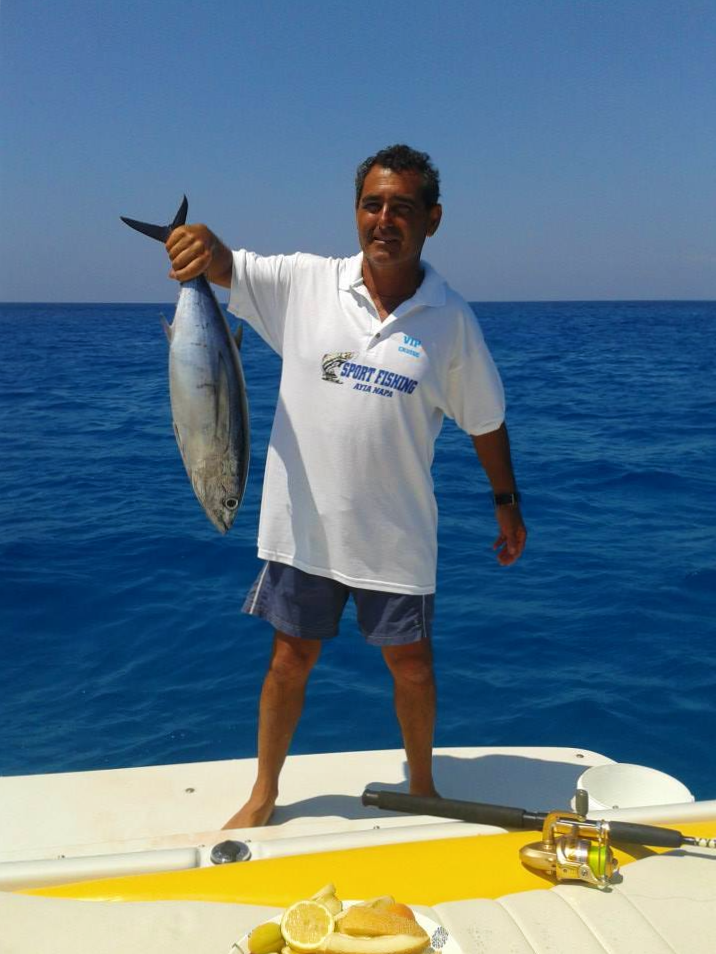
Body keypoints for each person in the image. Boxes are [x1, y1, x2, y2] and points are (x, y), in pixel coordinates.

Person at [165, 145, 527, 828]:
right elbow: (226, 266)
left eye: (402, 207)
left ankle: (423, 785)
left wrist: (506, 503)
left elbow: (485, 420)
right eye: (372, 204)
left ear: (433, 219)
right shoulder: (305, 284)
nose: (384, 218)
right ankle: (264, 792)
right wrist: (201, 246)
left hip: (395, 530)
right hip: (305, 527)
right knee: (288, 659)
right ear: (356, 212)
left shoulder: (450, 320)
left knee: (413, 666)